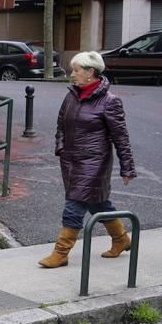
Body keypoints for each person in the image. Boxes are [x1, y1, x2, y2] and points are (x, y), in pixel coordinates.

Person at [39, 51, 136, 268]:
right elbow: (61, 125)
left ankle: (61, 252)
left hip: (94, 162)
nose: (72, 74)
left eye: (76, 70)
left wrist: (127, 167)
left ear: (91, 72)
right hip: (70, 161)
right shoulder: (72, 95)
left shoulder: (110, 102)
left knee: (74, 204)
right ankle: (121, 239)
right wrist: (61, 148)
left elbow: (121, 137)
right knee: (97, 203)